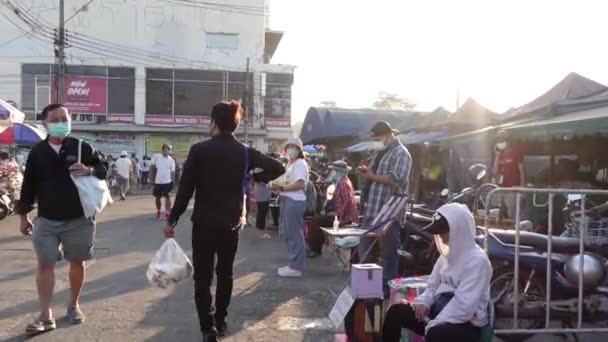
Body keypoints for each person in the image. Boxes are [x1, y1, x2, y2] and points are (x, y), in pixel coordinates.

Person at [163, 101, 284, 342]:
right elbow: (278, 167)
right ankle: (221, 321)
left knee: (203, 277)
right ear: (235, 124)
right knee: (226, 274)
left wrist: (172, 220)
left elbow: (185, 190)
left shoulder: (199, 150)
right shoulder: (245, 152)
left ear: (214, 123)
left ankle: (208, 329)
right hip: (231, 224)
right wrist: (255, 175)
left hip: (204, 224)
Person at [16, 103, 107, 336]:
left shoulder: (81, 147)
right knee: (45, 264)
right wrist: (24, 216)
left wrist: (88, 170)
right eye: (55, 120)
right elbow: (28, 186)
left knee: (77, 262)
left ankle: (73, 305)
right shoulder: (37, 152)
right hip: (46, 220)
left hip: (79, 218)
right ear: (45, 123)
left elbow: (103, 169)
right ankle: (46, 315)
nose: (61, 124)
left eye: (64, 119)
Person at [382, 203, 492, 342]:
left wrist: (433, 324)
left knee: (436, 334)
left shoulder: (477, 262)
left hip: (467, 324)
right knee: (396, 312)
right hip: (439, 313)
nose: (440, 237)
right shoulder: (447, 256)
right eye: (438, 233)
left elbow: (464, 307)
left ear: (459, 230)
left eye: (443, 233)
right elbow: (432, 286)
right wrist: (423, 302)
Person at [357, 121, 411, 297]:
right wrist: (367, 171)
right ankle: (365, 288)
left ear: (389, 135)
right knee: (365, 250)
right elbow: (374, 174)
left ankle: (388, 290)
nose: (377, 142)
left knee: (389, 254)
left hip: (388, 211)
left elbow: (396, 179)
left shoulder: (401, 153)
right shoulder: (380, 152)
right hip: (371, 208)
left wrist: (371, 176)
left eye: (378, 138)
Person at [271, 138, 309, 278]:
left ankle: (296, 267)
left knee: (294, 234)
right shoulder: (291, 163)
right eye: (289, 146)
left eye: (294, 147)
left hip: (295, 201)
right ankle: (293, 263)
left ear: (299, 150)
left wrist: (281, 188)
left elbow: (299, 184)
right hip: (288, 199)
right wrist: (279, 188)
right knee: (289, 233)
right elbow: (287, 182)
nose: (291, 149)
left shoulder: (300, 164)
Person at [307, 160, 359, 258]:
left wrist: (336, 215)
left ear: (339, 172)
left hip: (345, 217)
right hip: (344, 215)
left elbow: (344, 204)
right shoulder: (343, 182)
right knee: (318, 219)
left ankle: (315, 249)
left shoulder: (343, 184)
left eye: (333, 171)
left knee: (316, 221)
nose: (332, 173)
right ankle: (314, 247)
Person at [492, 130, 525, 219]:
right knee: (501, 212)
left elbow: (521, 170)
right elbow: (495, 172)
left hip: (514, 188)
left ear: (508, 141)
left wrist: (522, 187)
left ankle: (515, 229)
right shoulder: (499, 154)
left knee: (512, 213)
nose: (500, 143)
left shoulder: (516, 152)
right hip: (502, 188)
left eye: (502, 141)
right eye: (498, 141)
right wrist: (497, 156)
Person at [150, 144, 176, 220]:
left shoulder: (171, 160)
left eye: (170, 149)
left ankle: (167, 212)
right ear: (162, 150)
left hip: (167, 182)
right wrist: (151, 179)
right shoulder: (157, 157)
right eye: (167, 149)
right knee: (158, 197)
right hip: (158, 182)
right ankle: (158, 211)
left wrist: (172, 182)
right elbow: (152, 168)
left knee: (168, 197)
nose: (168, 151)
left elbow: (172, 172)